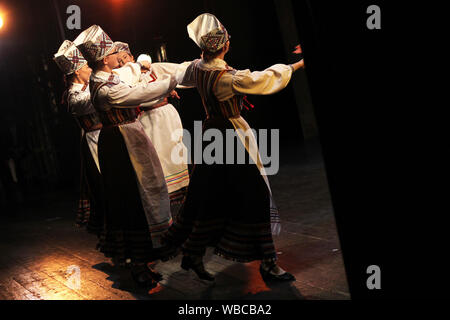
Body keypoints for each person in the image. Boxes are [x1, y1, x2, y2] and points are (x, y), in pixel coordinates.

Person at [162, 13, 305, 282]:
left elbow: (178, 70)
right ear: (224, 45)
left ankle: (193, 252)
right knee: (256, 195)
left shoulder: (198, 68)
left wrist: (150, 69)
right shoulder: (227, 77)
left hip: (209, 136)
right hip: (231, 136)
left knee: (209, 196)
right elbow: (264, 79)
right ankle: (268, 263)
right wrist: (297, 65)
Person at [74, 25, 179, 288]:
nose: (115, 54)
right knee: (131, 199)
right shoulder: (102, 86)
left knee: (143, 194)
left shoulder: (109, 76)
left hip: (128, 137)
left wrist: (146, 67)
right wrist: (168, 84)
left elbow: (133, 76)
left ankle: (145, 258)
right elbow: (137, 95)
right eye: (111, 52)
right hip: (120, 144)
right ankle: (139, 263)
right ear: (105, 59)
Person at [113, 43, 190, 214]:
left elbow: (178, 71)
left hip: (166, 116)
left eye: (124, 58)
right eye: (118, 62)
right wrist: (166, 88)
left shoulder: (154, 68)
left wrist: (200, 66)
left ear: (132, 57)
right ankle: (166, 199)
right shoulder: (126, 80)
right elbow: (141, 98)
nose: (121, 63)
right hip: (148, 121)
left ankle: (184, 194)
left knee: (176, 152)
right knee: (159, 159)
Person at [53, 40, 105, 236]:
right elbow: (95, 99)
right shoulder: (73, 96)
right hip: (94, 141)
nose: (90, 69)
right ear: (76, 71)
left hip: (105, 137)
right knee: (104, 186)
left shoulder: (86, 88)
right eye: (86, 66)